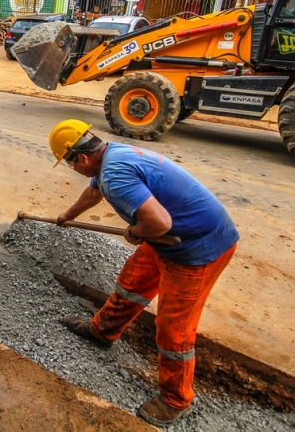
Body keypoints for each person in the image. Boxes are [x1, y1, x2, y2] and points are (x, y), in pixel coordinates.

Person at [50, 119, 239, 427]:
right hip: (167, 239)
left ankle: (176, 399)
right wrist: (67, 215)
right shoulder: (112, 155)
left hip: (198, 248)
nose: (73, 170)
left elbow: (160, 223)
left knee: (174, 328)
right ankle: (102, 331)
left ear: (81, 158)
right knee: (132, 282)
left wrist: (136, 231)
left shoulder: (114, 173)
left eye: (70, 164)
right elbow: (93, 191)